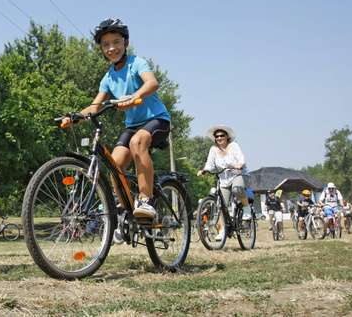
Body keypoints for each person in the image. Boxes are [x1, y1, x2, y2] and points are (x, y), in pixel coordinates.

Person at [60, 18, 171, 244]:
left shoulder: (137, 63)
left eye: (116, 42)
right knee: (114, 164)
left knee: (138, 142)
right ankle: (125, 211)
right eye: (106, 44)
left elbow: (152, 83)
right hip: (133, 126)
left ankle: (146, 201)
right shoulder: (108, 77)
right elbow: (95, 105)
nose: (111, 48)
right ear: (101, 49)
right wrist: (77, 117)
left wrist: (134, 96)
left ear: (126, 42)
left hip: (157, 120)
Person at [197, 125, 251, 241]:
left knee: (237, 189)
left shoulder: (234, 146)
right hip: (224, 179)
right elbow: (210, 164)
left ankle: (246, 208)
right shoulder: (213, 149)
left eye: (222, 135)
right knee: (221, 205)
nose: (219, 138)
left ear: (227, 136)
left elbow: (241, 158)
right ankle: (222, 230)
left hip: (238, 174)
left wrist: (240, 165)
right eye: (217, 136)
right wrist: (204, 171)